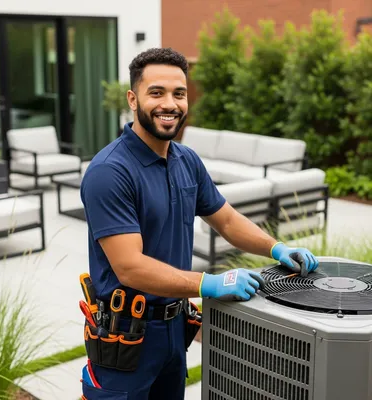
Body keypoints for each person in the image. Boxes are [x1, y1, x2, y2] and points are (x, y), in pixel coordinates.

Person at [79, 47, 319, 400]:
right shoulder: (109, 173)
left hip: (175, 331)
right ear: (133, 99)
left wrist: (277, 247)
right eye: (156, 93)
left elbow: (226, 219)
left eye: (179, 93)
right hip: (125, 341)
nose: (170, 104)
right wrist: (208, 283)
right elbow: (129, 267)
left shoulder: (186, 159)